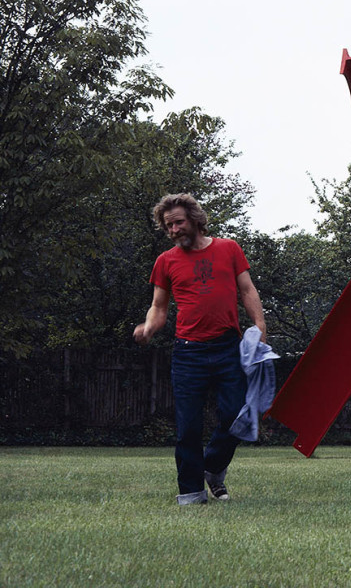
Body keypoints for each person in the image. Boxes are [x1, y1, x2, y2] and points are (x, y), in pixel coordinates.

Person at [134, 193, 267, 506]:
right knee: (188, 427)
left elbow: (247, 290)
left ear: (195, 219)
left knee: (239, 414)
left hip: (227, 347)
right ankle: (192, 493)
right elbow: (158, 306)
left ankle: (213, 466)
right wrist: (149, 327)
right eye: (168, 226)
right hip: (188, 352)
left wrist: (260, 326)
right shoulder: (166, 261)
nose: (174, 229)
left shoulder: (228, 249)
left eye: (178, 222)